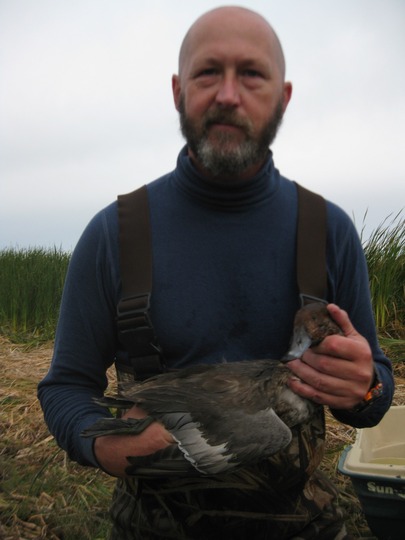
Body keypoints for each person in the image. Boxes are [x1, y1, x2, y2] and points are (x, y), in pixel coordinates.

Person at [38, 6, 394, 539]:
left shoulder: (330, 231)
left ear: (284, 96)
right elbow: (66, 386)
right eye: (208, 73)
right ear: (178, 91)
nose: (228, 94)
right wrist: (104, 443)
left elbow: (376, 394)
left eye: (251, 74)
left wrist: (365, 388)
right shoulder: (113, 234)